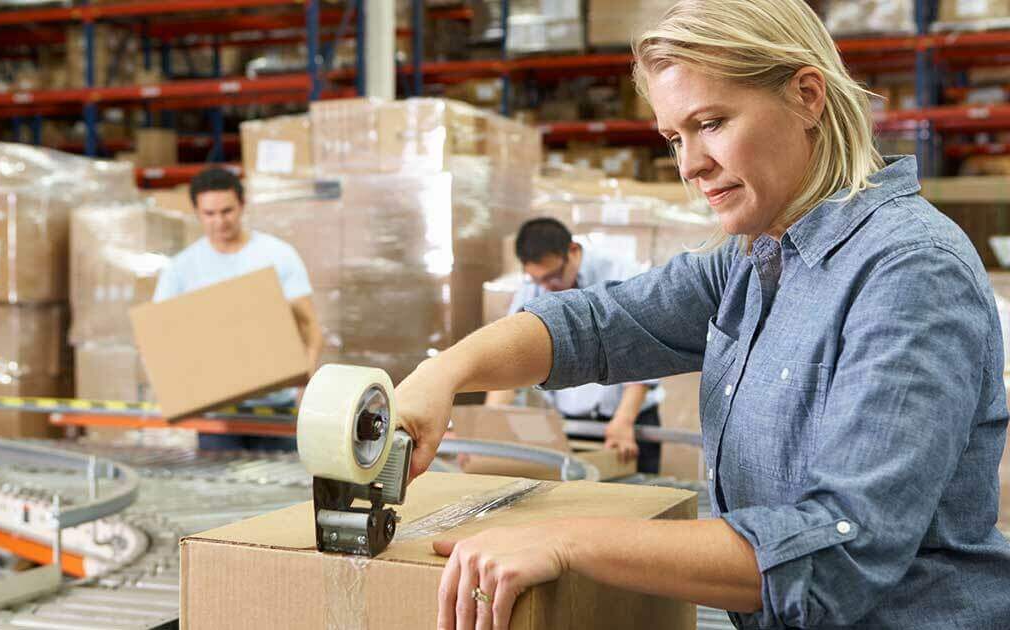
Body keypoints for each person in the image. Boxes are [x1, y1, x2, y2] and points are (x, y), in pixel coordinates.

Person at [393, 1, 1010, 628]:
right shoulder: (753, 257)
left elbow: (838, 549)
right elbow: (595, 325)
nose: (689, 166)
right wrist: (445, 374)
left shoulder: (909, 271)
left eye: (711, 123)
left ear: (806, 97)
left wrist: (565, 540)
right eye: (674, 138)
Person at [153, 167, 322, 452]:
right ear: (196, 211)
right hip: (216, 409)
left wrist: (305, 380)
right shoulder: (181, 269)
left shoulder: (277, 255)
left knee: (283, 491)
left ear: (242, 206)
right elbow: (161, 337)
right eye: (209, 214)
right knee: (222, 490)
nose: (219, 221)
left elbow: (310, 327)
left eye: (227, 211)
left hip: (276, 406)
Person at [485, 218, 663, 471]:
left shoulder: (621, 275)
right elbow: (511, 356)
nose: (548, 286)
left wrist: (624, 419)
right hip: (570, 424)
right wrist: (486, 426)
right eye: (539, 280)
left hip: (627, 420)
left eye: (554, 276)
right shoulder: (534, 289)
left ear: (573, 251)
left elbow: (645, 353)